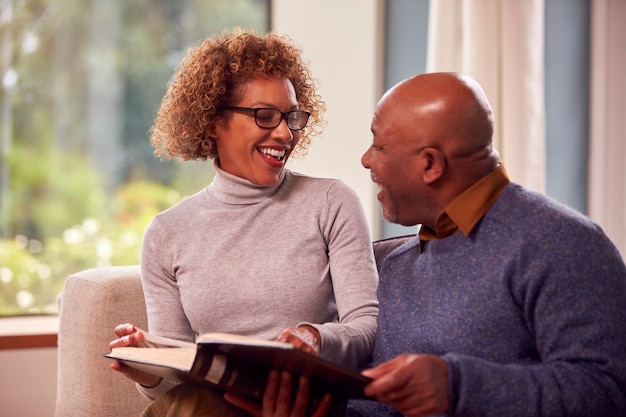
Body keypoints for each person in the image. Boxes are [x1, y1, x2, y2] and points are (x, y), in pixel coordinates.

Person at [107, 28, 379, 417]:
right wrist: (148, 368)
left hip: (312, 404)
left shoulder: (331, 202)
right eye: (265, 116)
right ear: (213, 121)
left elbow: (367, 325)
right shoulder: (167, 234)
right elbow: (177, 381)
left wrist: (314, 337)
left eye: (292, 117)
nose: (285, 134)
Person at [340, 71, 626, 417]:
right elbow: (384, 408)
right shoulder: (397, 266)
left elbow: (607, 391)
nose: (366, 160)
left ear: (430, 165)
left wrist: (457, 386)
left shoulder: (563, 243)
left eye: (379, 146)